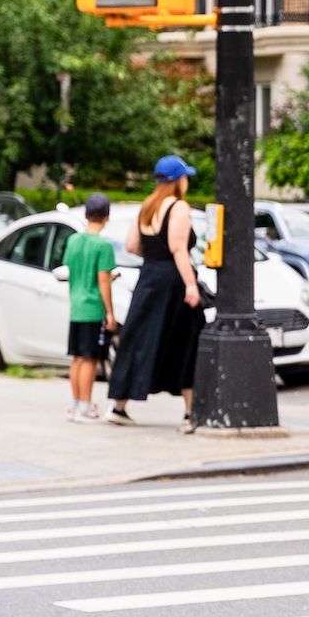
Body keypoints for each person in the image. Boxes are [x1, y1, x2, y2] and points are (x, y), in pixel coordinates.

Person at [107, 157, 205, 432]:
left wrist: (153, 257)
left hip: (148, 277)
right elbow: (178, 249)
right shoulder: (179, 207)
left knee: (138, 338)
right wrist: (191, 285)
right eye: (185, 177)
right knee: (186, 341)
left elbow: (131, 245)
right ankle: (190, 412)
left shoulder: (147, 206)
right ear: (177, 181)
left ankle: (119, 406)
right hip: (172, 281)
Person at [65, 193, 118, 423]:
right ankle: (85, 406)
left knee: (76, 357)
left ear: (86, 214)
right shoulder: (103, 245)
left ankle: (77, 404)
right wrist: (110, 312)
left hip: (76, 304)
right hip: (93, 306)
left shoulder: (73, 241)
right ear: (107, 216)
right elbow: (103, 279)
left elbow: (70, 269)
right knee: (90, 358)